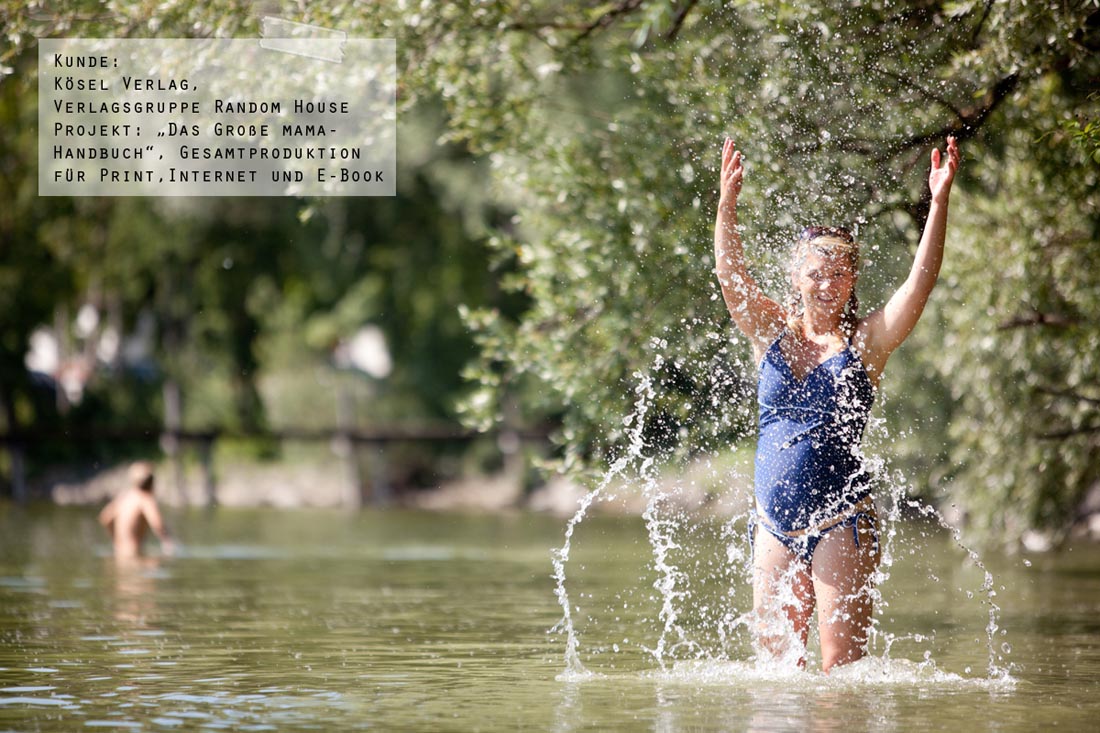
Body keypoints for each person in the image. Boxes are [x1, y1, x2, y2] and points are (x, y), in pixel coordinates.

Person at [713, 135, 960, 672]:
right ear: (796, 276)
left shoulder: (865, 344)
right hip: (772, 523)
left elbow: (920, 284)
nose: (828, 283)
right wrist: (726, 207)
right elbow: (731, 280)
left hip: (840, 521)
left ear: (851, 281)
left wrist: (938, 203)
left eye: (840, 273)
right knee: (776, 675)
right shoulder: (769, 332)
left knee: (840, 673)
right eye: (817, 272)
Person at [98, 461, 175, 559]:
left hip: (119, 553)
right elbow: (157, 524)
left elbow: (105, 518)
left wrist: (115, 540)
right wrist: (168, 542)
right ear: (152, 482)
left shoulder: (124, 497)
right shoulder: (145, 499)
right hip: (135, 555)